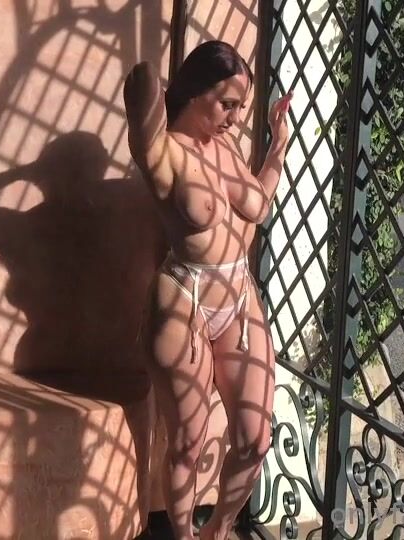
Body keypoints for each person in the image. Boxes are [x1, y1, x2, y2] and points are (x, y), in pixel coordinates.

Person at [123, 40, 292, 540]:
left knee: (255, 439)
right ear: (194, 92)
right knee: (188, 445)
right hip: (185, 298)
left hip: (238, 295)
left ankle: (217, 530)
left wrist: (278, 145)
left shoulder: (226, 148)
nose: (236, 119)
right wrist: (155, 81)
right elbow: (142, 89)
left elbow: (259, 205)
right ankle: (181, 535)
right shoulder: (165, 154)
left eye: (242, 107)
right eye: (227, 104)